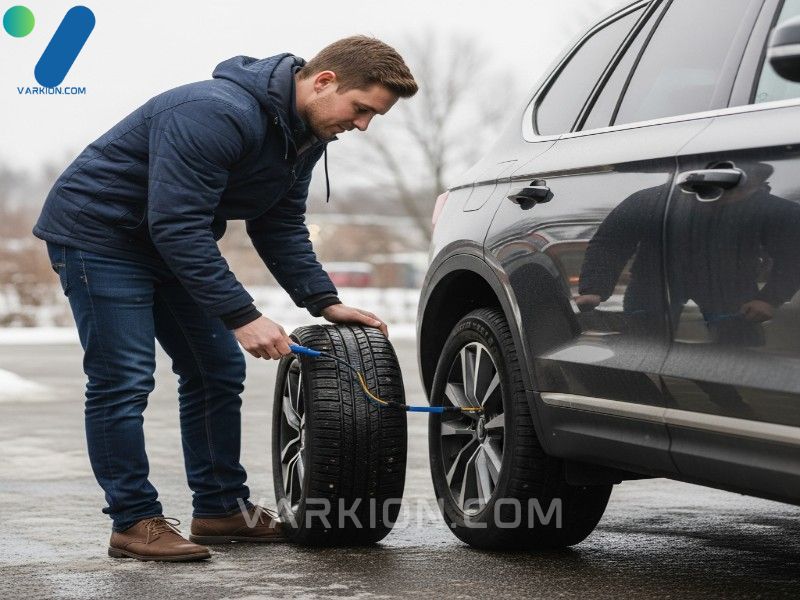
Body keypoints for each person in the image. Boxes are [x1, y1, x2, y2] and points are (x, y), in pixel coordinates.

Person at [32, 36, 418, 562]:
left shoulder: (303, 135)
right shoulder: (213, 112)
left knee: (215, 370)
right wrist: (243, 316)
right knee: (123, 377)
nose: (363, 125)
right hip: (100, 237)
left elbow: (279, 225)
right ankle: (133, 520)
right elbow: (178, 223)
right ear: (325, 81)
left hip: (168, 241)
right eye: (362, 109)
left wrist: (323, 301)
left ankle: (220, 509)